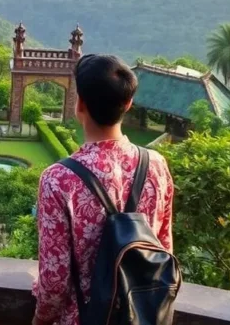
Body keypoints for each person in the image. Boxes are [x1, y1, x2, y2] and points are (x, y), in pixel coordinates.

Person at [33, 55, 174, 325]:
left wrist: (39, 321)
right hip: (141, 315)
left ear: (80, 103)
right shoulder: (157, 165)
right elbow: (164, 247)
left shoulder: (58, 179)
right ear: (128, 103)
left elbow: (54, 282)